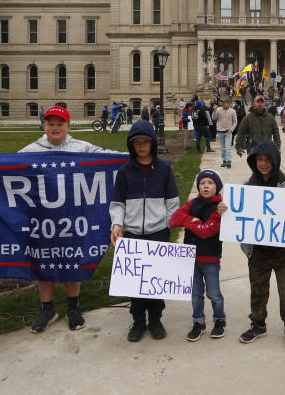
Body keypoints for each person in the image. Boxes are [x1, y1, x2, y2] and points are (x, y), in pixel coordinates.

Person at [20, 105, 112, 332]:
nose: (55, 128)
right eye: (50, 124)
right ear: (45, 126)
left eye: (60, 124)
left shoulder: (81, 148)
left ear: (68, 126)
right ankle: (47, 308)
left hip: (73, 217)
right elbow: (6, 171)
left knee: (72, 258)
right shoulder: (30, 151)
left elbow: (108, 158)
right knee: (44, 261)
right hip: (42, 220)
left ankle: (73, 307)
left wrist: (136, 156)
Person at [110, 120, 180, 342]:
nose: (141, 146)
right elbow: (118, 204)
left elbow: (172, 203)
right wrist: (117, 224)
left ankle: (156, 319)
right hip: (131, 233)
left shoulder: (164, 170)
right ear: (131, 145)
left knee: (155, 282)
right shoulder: (124, 172)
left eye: (145, 142)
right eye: (137, 142)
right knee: (136, 283)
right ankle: (138, 320)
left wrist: (169, 225)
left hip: (157, 232)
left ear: (151, 143)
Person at [238, 140, 285, 348]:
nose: (263, 164)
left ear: (275, 161)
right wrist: (226, 210)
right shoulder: (247, 186)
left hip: (281, 251)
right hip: (257, 252)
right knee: (258, 289)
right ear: (254, 162)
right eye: (259, 160)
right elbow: (238, 212)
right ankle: (258, 323)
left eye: (267, 160)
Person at [169, 169, 228, 342]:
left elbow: (207, 231)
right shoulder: (192, 203)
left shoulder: (221, 208)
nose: (206, 186)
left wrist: (192, 223)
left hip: (210, 259)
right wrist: (191, 220)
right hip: (191, 259)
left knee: (214, 294)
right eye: (202, 183)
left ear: (217, 187)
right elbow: (174, 219)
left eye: (210, 183)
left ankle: (219, 321)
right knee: (195, 295)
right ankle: (198, 322)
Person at [212, 98, 238, 168]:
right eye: (223, 103)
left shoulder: (232, 111)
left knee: (228, 147)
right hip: (220, 131)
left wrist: (232, 129)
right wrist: (214, 111)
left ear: (229, 104)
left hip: (228, 131)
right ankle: (224, 161)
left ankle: (229, 161)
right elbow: (214, 118)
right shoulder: (218, 110)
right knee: (223, 148)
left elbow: (235, 121)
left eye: (226, 103)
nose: (224, 105)